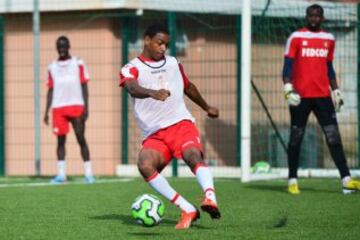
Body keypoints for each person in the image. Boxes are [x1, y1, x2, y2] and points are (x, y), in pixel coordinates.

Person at [119, 24, 221, 229]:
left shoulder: (174, 63)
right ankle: (188, 208)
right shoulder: (131, 67)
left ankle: (210, 197)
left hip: (180, 123)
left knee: (193, 155)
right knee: (145, 165)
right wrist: (151, 92)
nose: (163, 48)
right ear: (146, 40)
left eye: (166, 44)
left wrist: (206, 106)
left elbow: (188, 87)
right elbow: (131, 86)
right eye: (159, 43)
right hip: (155, 133)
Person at [282, 4, 360, 194]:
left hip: (323, 97)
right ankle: (292, 179)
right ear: (306, 17)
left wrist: (337, 90)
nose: (314, 19)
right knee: (296, 138)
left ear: (322, 18)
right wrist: (288, 88)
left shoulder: (329, 39)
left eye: (317, 16)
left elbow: (329, 68)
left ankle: (346, 180)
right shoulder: (296, 37)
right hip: (300, 97)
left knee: (334, 137)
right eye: (311, 15)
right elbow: (287, 67)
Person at [44, 36, 95, 184]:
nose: (61, 48)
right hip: (58, 108)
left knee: (81, 138)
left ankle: (89, 173)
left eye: (64, 45)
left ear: (69, 46)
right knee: (60, 141)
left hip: (76, 105)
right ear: (56, 47)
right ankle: (61, 175)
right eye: (59, 46)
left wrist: (86, 107)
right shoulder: (52, 67)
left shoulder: (78, 63)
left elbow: (84, 86)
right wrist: (46, 111)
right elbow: (50, 90)